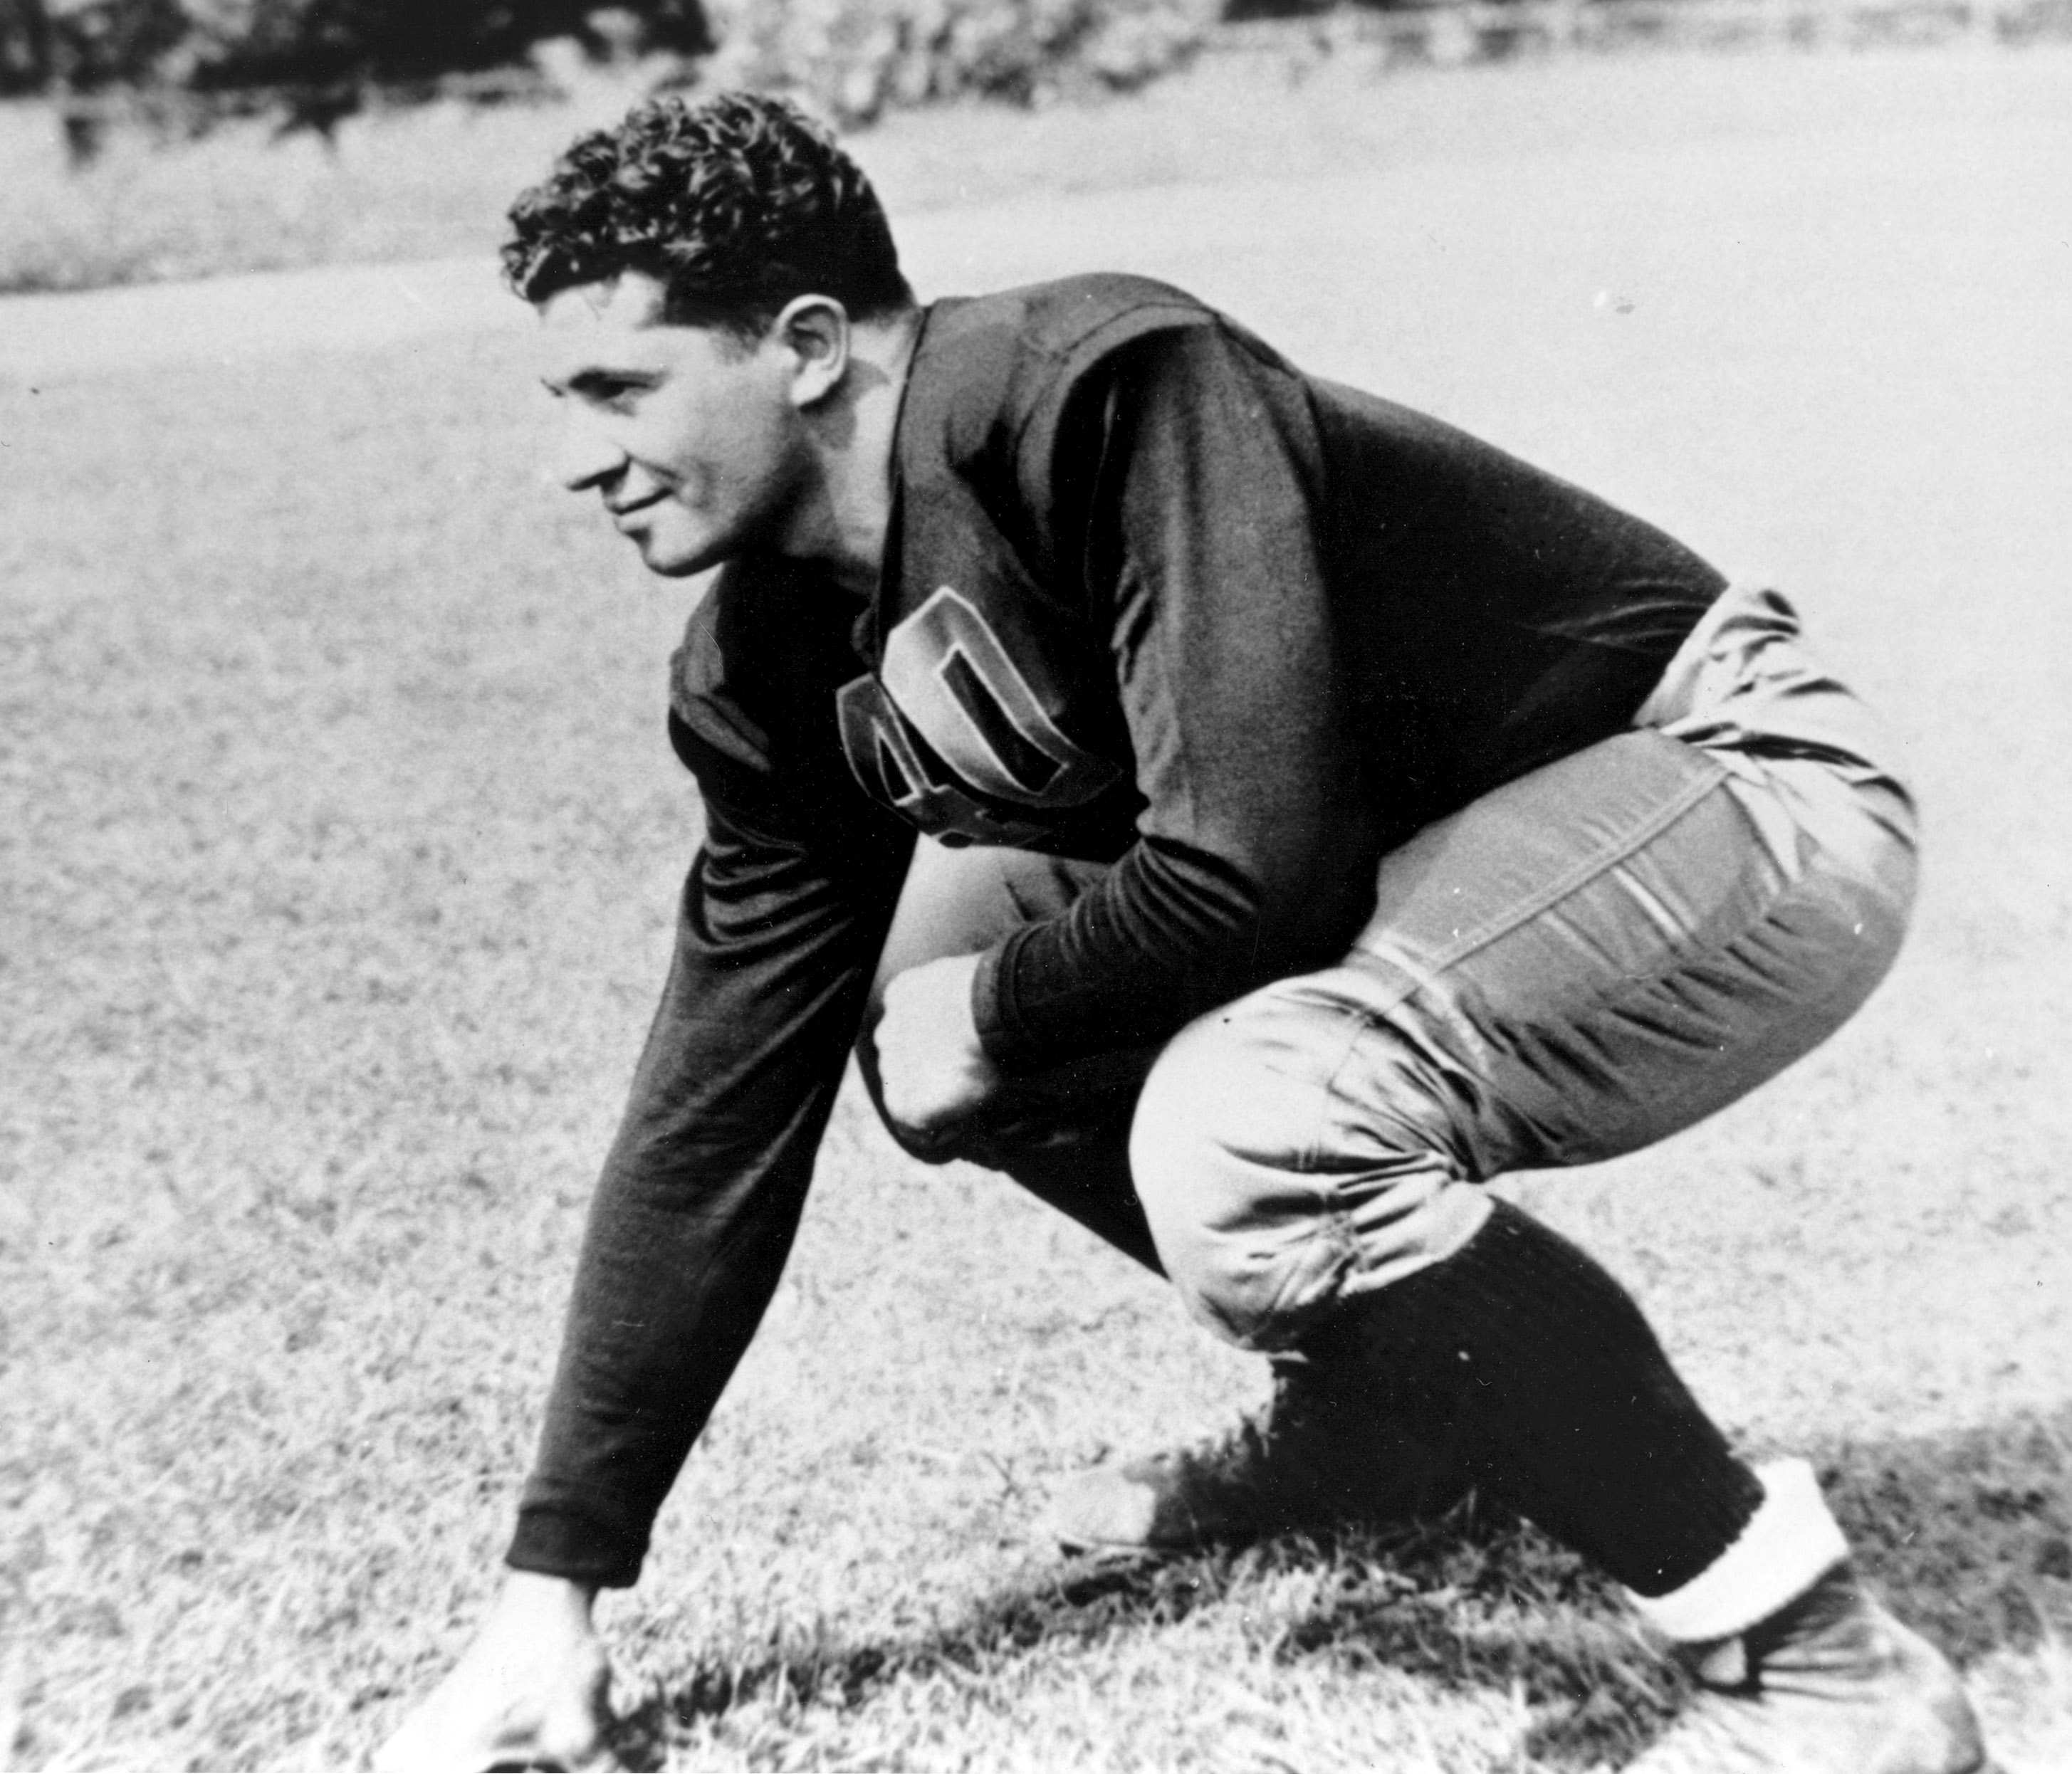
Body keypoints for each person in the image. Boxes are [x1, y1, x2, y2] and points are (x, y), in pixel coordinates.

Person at [375, 90, 1988, 1774]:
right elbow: (716, 1099)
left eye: (619, 389)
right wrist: (549, 1592)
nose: (572, 455)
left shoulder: (1099, 382)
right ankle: (1386, 1420)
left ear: (800, 344)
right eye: (557, 398)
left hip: (1727, 774)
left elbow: (1255, 870)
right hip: (1423, 848)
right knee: (925, 1030)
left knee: (1246, 1124)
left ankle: (1818, 1667)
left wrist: (997, 1012)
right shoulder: (766, 667)